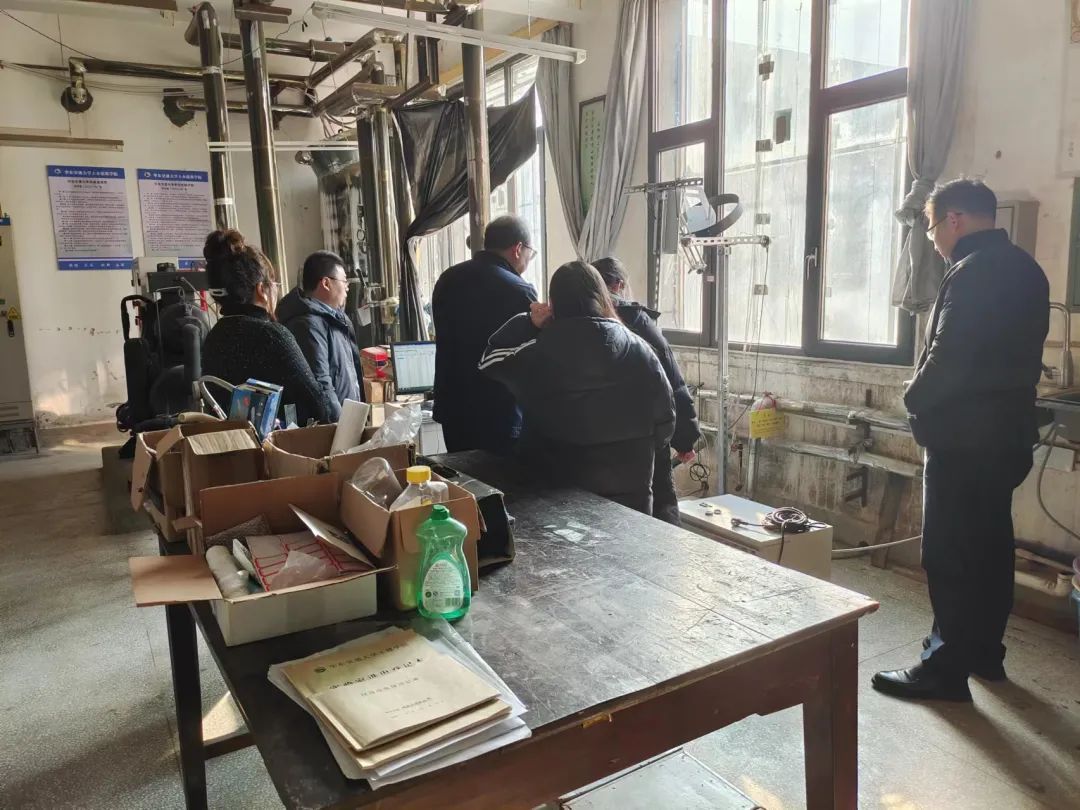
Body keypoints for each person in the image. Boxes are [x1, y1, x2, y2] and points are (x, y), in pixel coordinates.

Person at [872, 179, 1049, 702]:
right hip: (1006, 438)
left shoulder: (971, 272)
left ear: (954, 220)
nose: (931, 240)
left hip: (964, 440)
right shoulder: (1027, 269)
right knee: (991, 546)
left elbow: (948, 356)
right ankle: (985, 654)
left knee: (949, 552)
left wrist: (912, 398)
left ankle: (944, 669)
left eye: (931, 228)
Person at [479, 261, 675, 516]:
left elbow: (489, 360)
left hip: (559, 501)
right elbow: (666, 420)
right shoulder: (640, 349)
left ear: (553, 304)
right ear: (603, 296)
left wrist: (529, 323)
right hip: (630, 504)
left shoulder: (537, 352)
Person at [593, 256, 703, 525]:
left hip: (588, 447)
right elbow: (672, 384)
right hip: (643, 441)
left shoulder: (570, 324)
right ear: (619, 285)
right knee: (658, 516)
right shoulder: (637, 321)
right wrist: (685, 439)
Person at [201, 229, 336, 425]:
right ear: (261, 290)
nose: (276, 290)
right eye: (273, 284)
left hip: (227, 442)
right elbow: (317, 406)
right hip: (273, 443)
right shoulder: (272, 335)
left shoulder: (213, 337)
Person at [432, 215, 539, 454]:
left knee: (462, 476)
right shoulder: (519, 290)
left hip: (454, 408)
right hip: (499, 412)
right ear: (518, 249)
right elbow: (531, 357)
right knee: (501, 477)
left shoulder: (448, 279)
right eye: (530, 254)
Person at [275, 250, 362, 421]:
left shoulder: (335, 319)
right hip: (333, 426)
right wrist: (341, 424)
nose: (347, 287)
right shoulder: (308, 325)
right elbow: (321, 383)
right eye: (344, 281)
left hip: (348, 420)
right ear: (326, 283)